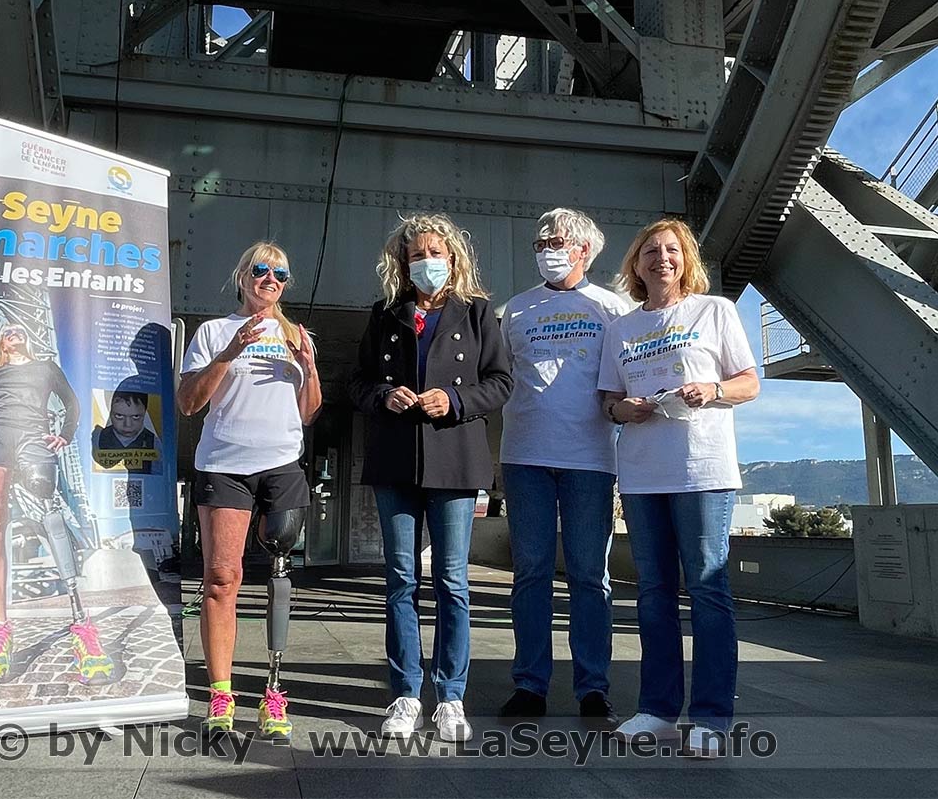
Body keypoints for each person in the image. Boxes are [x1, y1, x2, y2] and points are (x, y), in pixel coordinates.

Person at [597, 218, 759, 751]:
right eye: (649, 251)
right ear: (635, 264)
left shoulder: (716, 311)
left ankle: (712, 718)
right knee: (653, 593)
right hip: (642, 475)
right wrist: (628, 409)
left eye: (670, 250)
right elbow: (608, 401)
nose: (660, 258)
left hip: (703, 471)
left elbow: (748, 383)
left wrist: (710, 390)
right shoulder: (620, 328)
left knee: (708, 589)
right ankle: (657, 709)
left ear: (685, 259)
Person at [350, 213, 513, 743]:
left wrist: (458, 399)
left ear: (453, 258)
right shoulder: (384, 314)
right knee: (400, 579)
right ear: (403, 263)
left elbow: (501, 382)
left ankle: (450, 696)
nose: (427, 263)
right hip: (396, 461)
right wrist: (383, 396)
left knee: (452, 582)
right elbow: (356, 383)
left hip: (455, 460)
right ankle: (404, 692)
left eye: (434, 254)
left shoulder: (478, 313)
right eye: (416, 255)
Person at [178, 243, 323, 742]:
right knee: (222, 576)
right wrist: (232, 350)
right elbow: (190, 403)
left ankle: (274, 690)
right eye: (261, 270)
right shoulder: (213, 332)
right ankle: (221, 692)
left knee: (280, 572)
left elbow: (308, 410)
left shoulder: (295, 334)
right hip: (225, 466)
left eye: (280, 273)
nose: (270, 279)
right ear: (242, 276)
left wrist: (310, 364)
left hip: (281, 462)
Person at [497, 209, 633, 726]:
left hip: (591, 460)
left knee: (589, 576)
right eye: (541, 241)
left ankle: (592, 687)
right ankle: (529, 685)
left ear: (584, 251)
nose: (545, 248)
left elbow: (627, 375)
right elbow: (497, 376)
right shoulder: (516, 310)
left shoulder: (609, 307)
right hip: (525, 455)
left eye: (556, 241)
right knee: (529, 573)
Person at [0, 323, 115, 685]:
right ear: (1, 343)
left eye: (18, 330)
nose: (13, 333)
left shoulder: (46, 367)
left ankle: (82, 624)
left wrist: (64, 436)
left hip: (33, 435)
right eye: (6, 333)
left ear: (29, 339)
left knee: (49, 514)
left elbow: (72, 404)